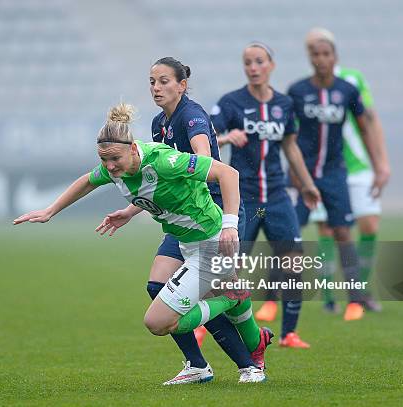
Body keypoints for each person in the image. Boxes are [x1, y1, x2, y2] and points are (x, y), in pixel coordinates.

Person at [14, 103, 267, 383]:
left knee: (158, 322)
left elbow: (228, 174)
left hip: (211, 243)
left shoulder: (163, 161)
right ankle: (228, 357)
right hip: (187, 244)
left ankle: (231, 303)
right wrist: (51, 210)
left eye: (114, 159)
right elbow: (88, 181)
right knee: (164, 304)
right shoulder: (114, 167)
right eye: (104, 160)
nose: (110, 167)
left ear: (133, 149)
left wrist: (230, 225)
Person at [96, 58, 271, 385]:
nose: (156, 88)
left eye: (163, 81)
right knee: (157, 285)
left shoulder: (191, 117)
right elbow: (159, 182)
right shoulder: (159, 123)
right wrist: (133, 209)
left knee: (212, 293)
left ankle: (250, 360)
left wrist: (220, 221)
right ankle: (199, 363)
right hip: (184, 218)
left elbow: (203, 165)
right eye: (152, 81)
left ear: (182, 85)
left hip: (213, 210)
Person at [208, 42, 321, 348]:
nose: (253, 67)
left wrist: (307, 184)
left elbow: (290, 147)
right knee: (230, 265)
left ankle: (289, 334)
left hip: (276, 198)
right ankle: (206, 324)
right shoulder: (231, 103)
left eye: (259, 61)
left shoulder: (284, 104)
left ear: (271, 65)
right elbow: (206, 143)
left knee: (293, 260)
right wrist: (226, 137)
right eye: (247, 62)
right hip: (243, 200)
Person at [284, 29, 389, 321]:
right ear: (310, 58)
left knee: (343, 231)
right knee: (290, 231)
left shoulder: (347, 90)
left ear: (334, 57)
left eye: (326, 54)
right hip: (304, 174)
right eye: (315, 54)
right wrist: (293, 170)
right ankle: (280, 295)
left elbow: (366, 126)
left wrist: (377, 163)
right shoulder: (297, 91)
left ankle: (355, 299)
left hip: (334, 173)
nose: (321, 59)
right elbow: (287, 134)